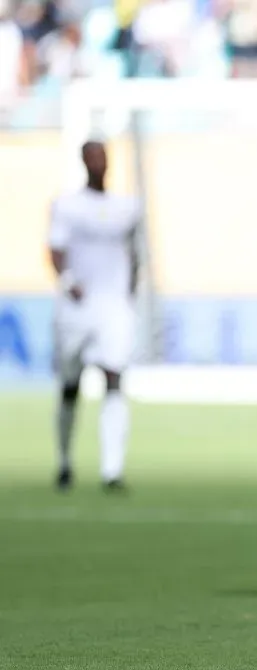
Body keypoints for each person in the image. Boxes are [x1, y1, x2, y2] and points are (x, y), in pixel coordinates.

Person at [49, 141, 141, 493]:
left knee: (114, 378)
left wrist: (129, 293)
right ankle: (64, 461)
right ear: (84, 163)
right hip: (76, 308)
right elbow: (55, 249)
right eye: (93, 158)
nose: (100, 164)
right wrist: (68, 281)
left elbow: (134, 254)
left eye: (104, 158)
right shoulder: (67, 206)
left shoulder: (126, 208)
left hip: (113, 307)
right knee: (70, 386)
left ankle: (112, 470)